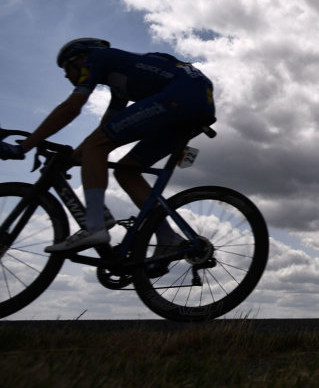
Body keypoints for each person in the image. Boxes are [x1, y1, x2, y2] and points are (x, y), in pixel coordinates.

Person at [0, 38, 216, 254]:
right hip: (196, 103)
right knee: (125, 170)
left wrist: (24, 147)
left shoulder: (97, 58)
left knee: (97, 147)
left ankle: (94, 226)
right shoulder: (120, 82)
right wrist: (77, 155)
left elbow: (72, 108)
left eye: (67, 68)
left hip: (181, 95)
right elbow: (106, 128)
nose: (66, 75)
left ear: (80, 58)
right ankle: (167, 237)